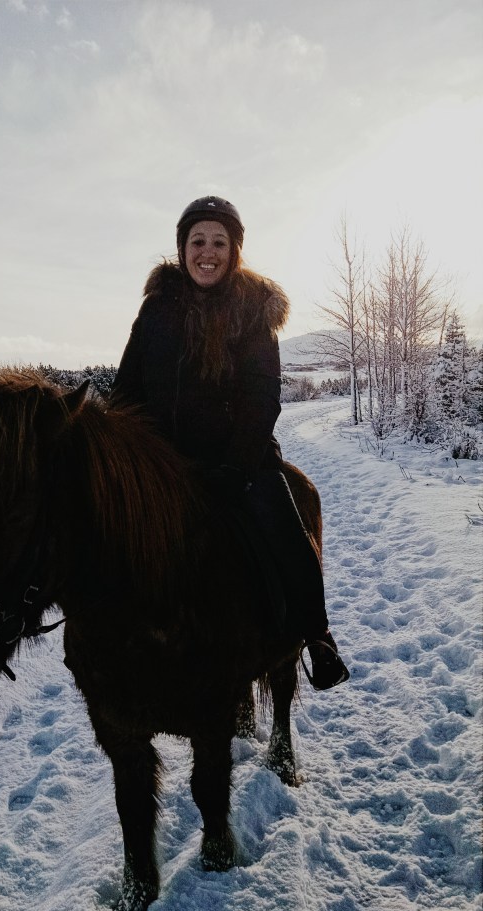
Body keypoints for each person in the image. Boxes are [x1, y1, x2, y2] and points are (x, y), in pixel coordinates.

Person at [111, 196, 349, 690]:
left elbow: (261, 398)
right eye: (198, 241)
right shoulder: (156, 309)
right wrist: (130, 457)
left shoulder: (253, 311)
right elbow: (127, 389)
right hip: (164, 463)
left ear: (234, 251)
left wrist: (236, 470)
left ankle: (315, 635)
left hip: (239, 461)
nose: (208, 252)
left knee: (287, 529)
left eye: (219, 242)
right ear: (182, 249)